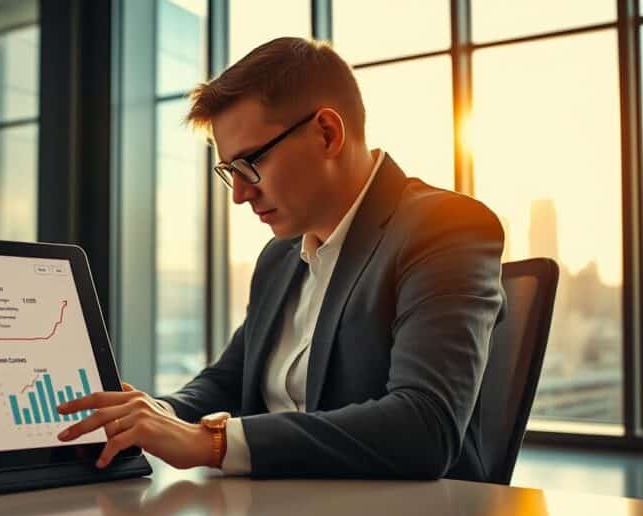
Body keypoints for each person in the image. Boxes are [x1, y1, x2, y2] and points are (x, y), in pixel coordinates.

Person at [57, 37, 505, 481]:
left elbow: (424, 427)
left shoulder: (446, 227)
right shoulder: (281, 256)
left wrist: (210, 443)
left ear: (327, 134)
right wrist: (156, 414)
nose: (240, 194)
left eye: (251, 163)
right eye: (230, 171)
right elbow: (227, 383)